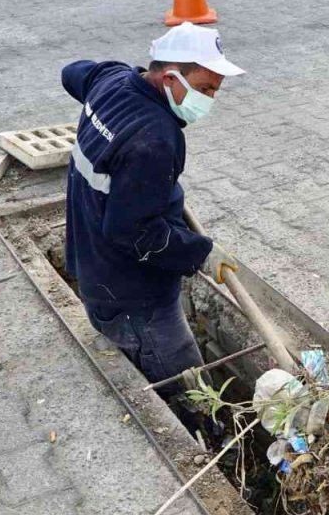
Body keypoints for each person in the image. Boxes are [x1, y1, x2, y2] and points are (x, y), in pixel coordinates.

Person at [60, 22, 243, 402]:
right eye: (205, 89)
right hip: (133, 296)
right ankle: (198, 426)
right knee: (189, 383)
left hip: (92, 263)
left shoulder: (112, 81)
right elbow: (134, 232)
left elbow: (71, 73)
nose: (210, 99)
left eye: (215, 90)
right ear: (169, 78)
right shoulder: (156, 139)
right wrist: (201, 253)